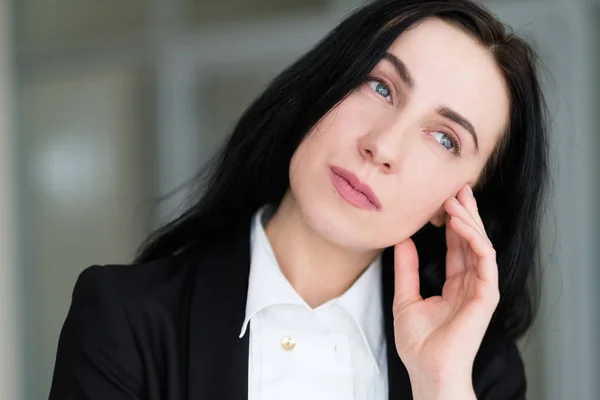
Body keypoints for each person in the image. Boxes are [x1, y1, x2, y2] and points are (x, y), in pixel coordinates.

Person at [49, 0, 549, 399]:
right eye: (380, 86)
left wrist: (439, 384)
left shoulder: (477, 375)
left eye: (445, 139)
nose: (383, 145)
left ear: (457, 203)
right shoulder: (125, 319)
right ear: (323, 87)